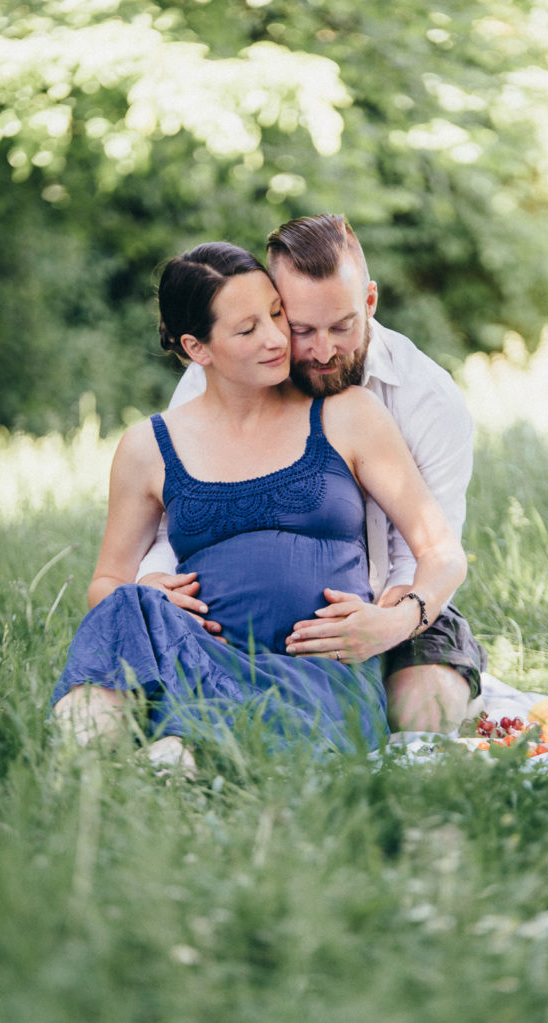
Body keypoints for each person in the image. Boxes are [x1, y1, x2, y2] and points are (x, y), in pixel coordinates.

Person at [51, 242, 466, 771]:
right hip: (197, 655)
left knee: (212, 738)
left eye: (276, 315)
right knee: (126, 611)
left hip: (318, 667)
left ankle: (179, 751)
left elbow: (441, 550)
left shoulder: (348, 414)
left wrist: (394, 621)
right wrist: (145, 589)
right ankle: (87, 757)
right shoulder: (147, 446)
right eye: (247, 330)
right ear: (198, 348)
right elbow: (105, 584)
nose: (275, 340)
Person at [138, 215, 486, 734]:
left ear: (369, 302)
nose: (322, 351)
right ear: (276, 309)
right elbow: (180, 518)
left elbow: (429, 554)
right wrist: (155, 589)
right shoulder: (223, 375)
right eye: (301, 329)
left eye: (342, 326)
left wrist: (385, 626)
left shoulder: (428, 399)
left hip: (404, 605)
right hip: (243, 618)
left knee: (417, 719)